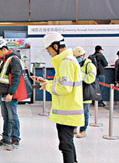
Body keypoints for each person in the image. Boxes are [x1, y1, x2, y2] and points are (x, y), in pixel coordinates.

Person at [32, 32, 83, 163]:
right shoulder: (66, 61)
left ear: (56, 46)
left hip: (67, 112)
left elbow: (64, 88)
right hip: (66, 111)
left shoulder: (66, 62)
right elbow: (62, 85)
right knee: (68, 144)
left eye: (49, 49)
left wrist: (47, 86)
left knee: (66, 146)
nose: (49, 53)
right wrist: (46, 83)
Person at [0, 38, 27, 151]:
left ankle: (15, 139)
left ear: (3, 49)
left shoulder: (14, 60)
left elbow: (16, 77)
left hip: (9, 95)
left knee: (12, 117)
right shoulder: (5, 60)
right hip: (3, 93)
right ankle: (6, 138)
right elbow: (3, 75)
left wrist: (10, 93)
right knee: (6, 117)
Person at [73, 46, 96, 139]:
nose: (77, 59)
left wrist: (80, 74)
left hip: (85, 92)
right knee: (74, 111)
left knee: (84, 112)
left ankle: (83, 130)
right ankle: (74, 127)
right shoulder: (75, 64)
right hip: (76, 92)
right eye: (76, 57)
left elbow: (91, 79)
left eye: (78, 57)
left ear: (83, 55)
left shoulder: (89, 65)